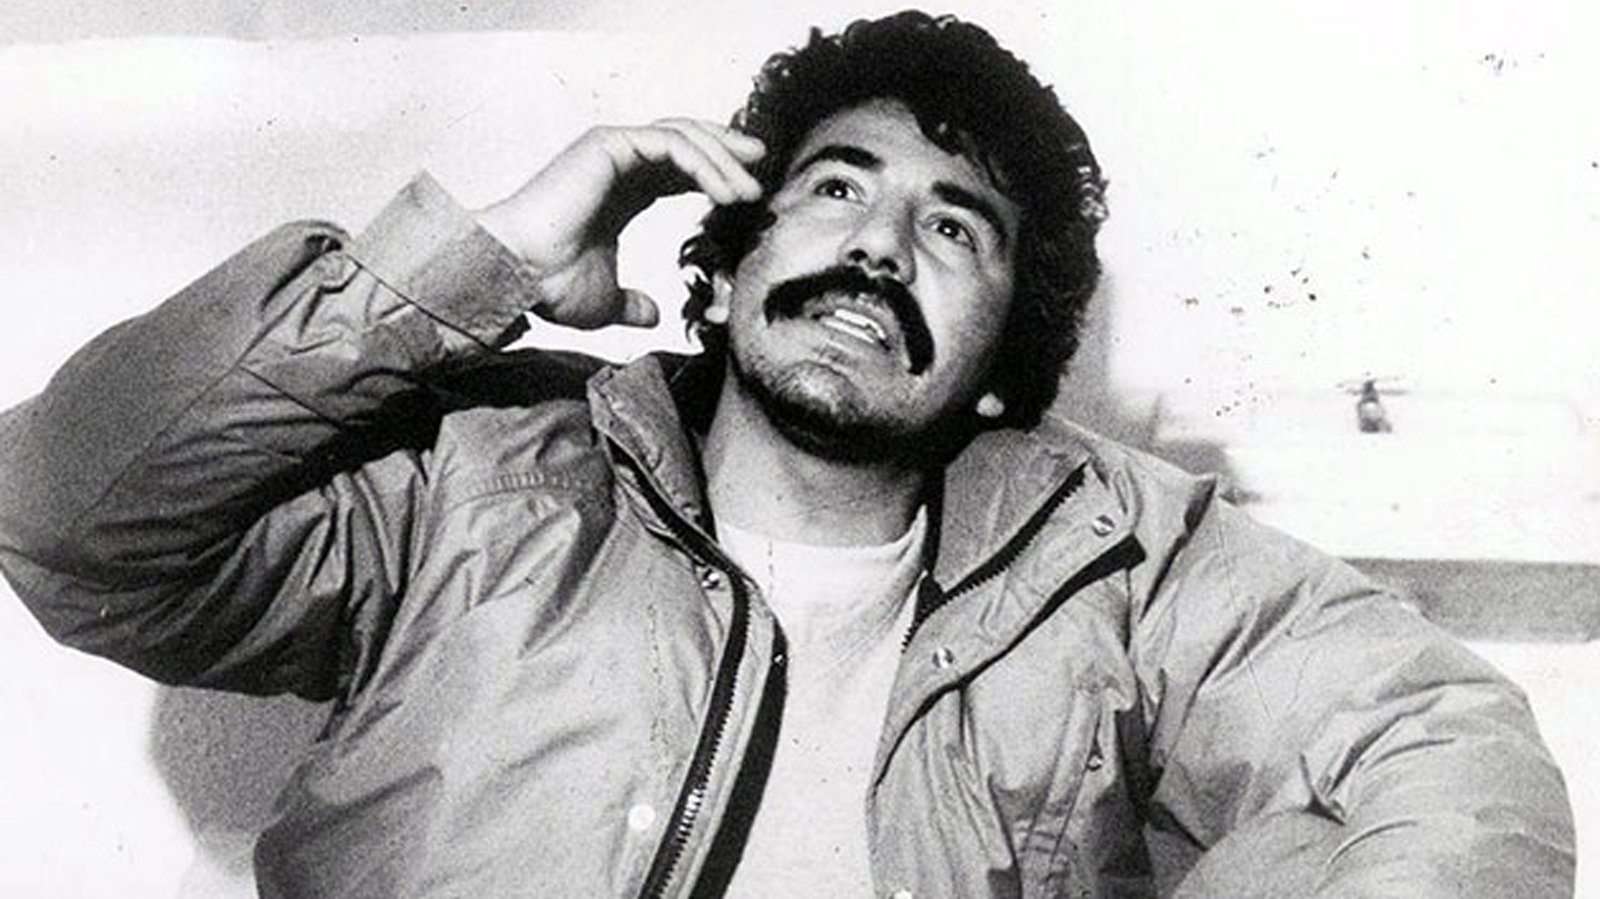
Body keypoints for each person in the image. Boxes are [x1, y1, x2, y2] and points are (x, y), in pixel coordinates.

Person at [0, 11, 1574, 898]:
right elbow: (65, 518)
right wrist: (478, 260)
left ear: (1003, 353)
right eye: (834, 189)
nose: (880, 244)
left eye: (954, 230)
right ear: (730, 256)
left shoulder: (1118, 551)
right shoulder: (477, 479)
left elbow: (1443, 743)